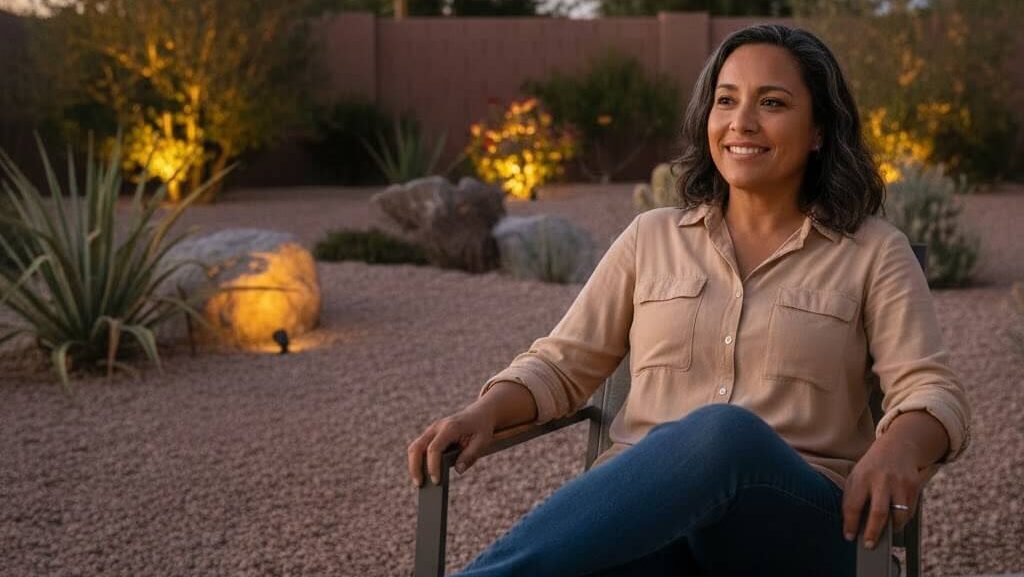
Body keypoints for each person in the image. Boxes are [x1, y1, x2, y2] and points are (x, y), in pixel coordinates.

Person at [406, 24, 971, 576]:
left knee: (724, 434)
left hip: (796, 531)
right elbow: (560, 365)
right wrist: (484, 411)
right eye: (726, 101)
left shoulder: (873, 252)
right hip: (656, 529)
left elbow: (931, 391)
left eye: (771, 102)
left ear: (819, 130)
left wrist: (899, 447)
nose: (741, 122)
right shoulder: (650, 238)